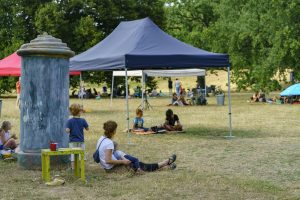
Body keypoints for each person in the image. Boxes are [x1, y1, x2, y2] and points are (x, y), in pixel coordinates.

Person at [96, 120, 177, 172]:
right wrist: (123, 161)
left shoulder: (101, 138)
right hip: (112, 169)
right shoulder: (109, 143)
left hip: (108, 167)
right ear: (113, 131)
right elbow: (108, 160)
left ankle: (165, 164)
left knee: (140, 164)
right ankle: (166, 164)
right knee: (142, 166)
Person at [66, 103, 89, 168]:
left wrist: (69, 130)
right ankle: (82, 167)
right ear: (79, 112)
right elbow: (87, 129)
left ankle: (73, 168)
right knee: (82, 155)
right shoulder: (83, 120)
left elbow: (67, 130)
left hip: (72, 141)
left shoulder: (69, 121)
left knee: (73, 156)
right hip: (81, 141)